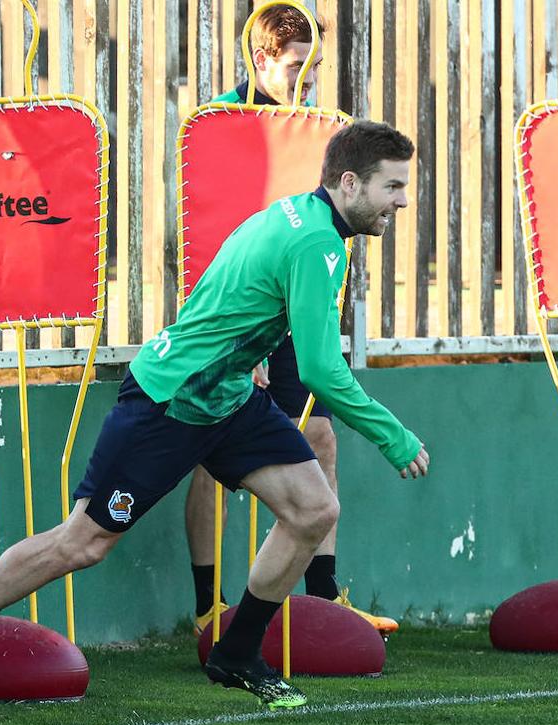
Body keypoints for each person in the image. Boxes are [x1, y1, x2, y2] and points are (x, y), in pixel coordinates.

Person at [0, 119, 428, 717]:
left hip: (225, 397)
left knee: (313, 509)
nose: (402, 202)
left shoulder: (294, 214)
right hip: (169, 401)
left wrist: (239, 352)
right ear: (351, 183)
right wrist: (395, 437)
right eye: (393, 188)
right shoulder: (317, 243)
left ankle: (237, 653)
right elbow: (320, 370)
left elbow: (230, 293)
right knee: (83, 543)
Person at [185, 5, 398, 638]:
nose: (307, 79)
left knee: (323, 439)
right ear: (260, 60)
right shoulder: (222, 125)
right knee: (208, 457)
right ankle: (207, 608)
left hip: (294, 318)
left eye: (315, 67)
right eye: (295, 65)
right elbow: (210, 231)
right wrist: (241, 338)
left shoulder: (317, 137)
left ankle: (323, 599)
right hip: (232, 321)